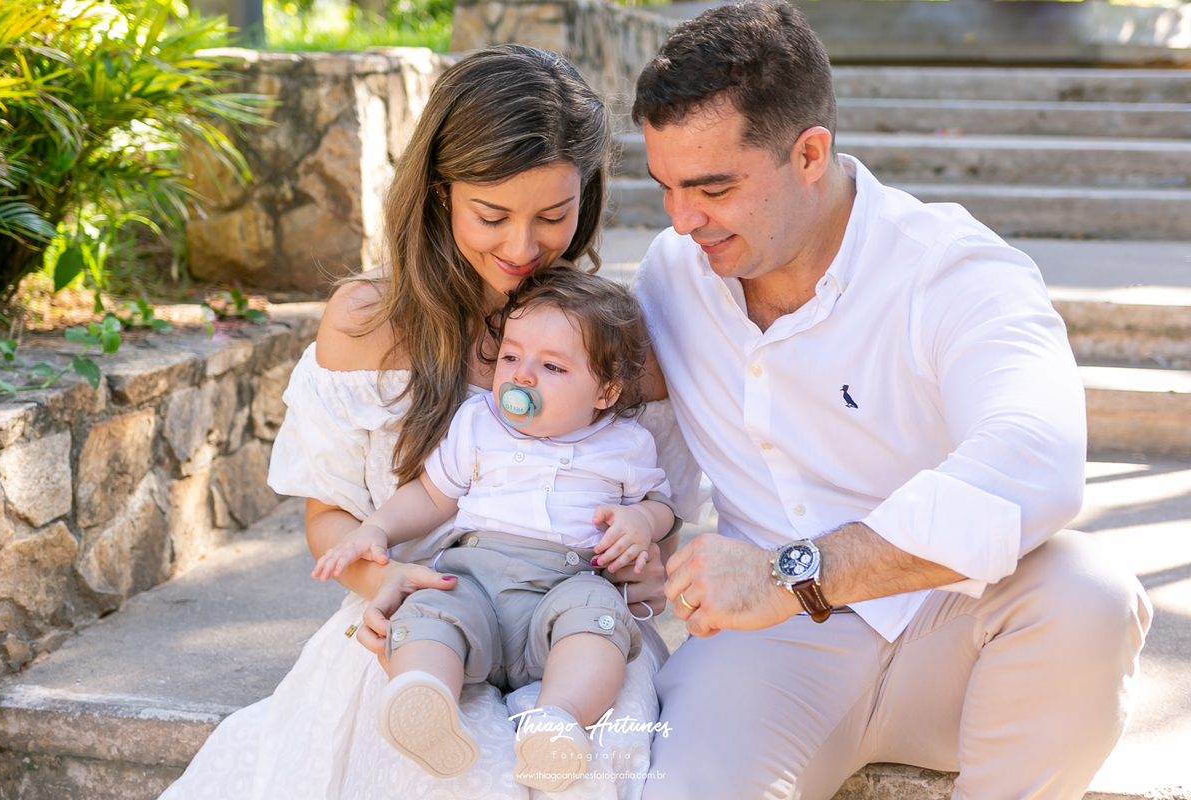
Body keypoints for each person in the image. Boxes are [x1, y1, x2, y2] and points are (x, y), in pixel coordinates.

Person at [628, 3, 1153, 799]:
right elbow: (627, 447)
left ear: (810, 154)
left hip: (951, 624)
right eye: (664, 186)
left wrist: (792, 574)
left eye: (712, 187)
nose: (681, 218)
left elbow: (1035, 462)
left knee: (1089, 595)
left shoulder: (952, 269)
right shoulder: (672, 274)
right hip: (766, 653)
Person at [159, 45, 706, 800]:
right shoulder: (365, 322)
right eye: (492, 215)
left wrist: (643, 555)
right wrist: (382, 576)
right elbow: (331, 518)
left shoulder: (611, 343)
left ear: (588, 191)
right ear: (439, 191)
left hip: (578, 637)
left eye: (553, 215)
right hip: (417, 622)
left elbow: (662, 513)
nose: (522, 247)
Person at [311, 268, 677, 792]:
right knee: (430, 612)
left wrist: (641, 520)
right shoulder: (478, 423)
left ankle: (558, 720)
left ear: (606, 390)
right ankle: (425, 698)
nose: (521, 376)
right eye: (510, 357)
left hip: (568, 585)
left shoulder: (625, 443)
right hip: (474, 575)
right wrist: (376, 529)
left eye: (551, 366)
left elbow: (658, 504)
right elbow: (432, 494)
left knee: (598, 624)